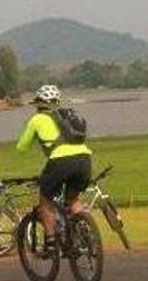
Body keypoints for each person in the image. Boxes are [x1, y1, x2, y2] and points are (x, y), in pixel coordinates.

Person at [15, 85, 94, 254]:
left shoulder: (37, 119)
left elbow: (21, 147)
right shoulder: (67, 116)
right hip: (85, 160)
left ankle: (50, 243)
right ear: (57, 102)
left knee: (45, 202)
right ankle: (86, 235)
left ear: (38, 104)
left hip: (60, 162)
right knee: (73, 200)